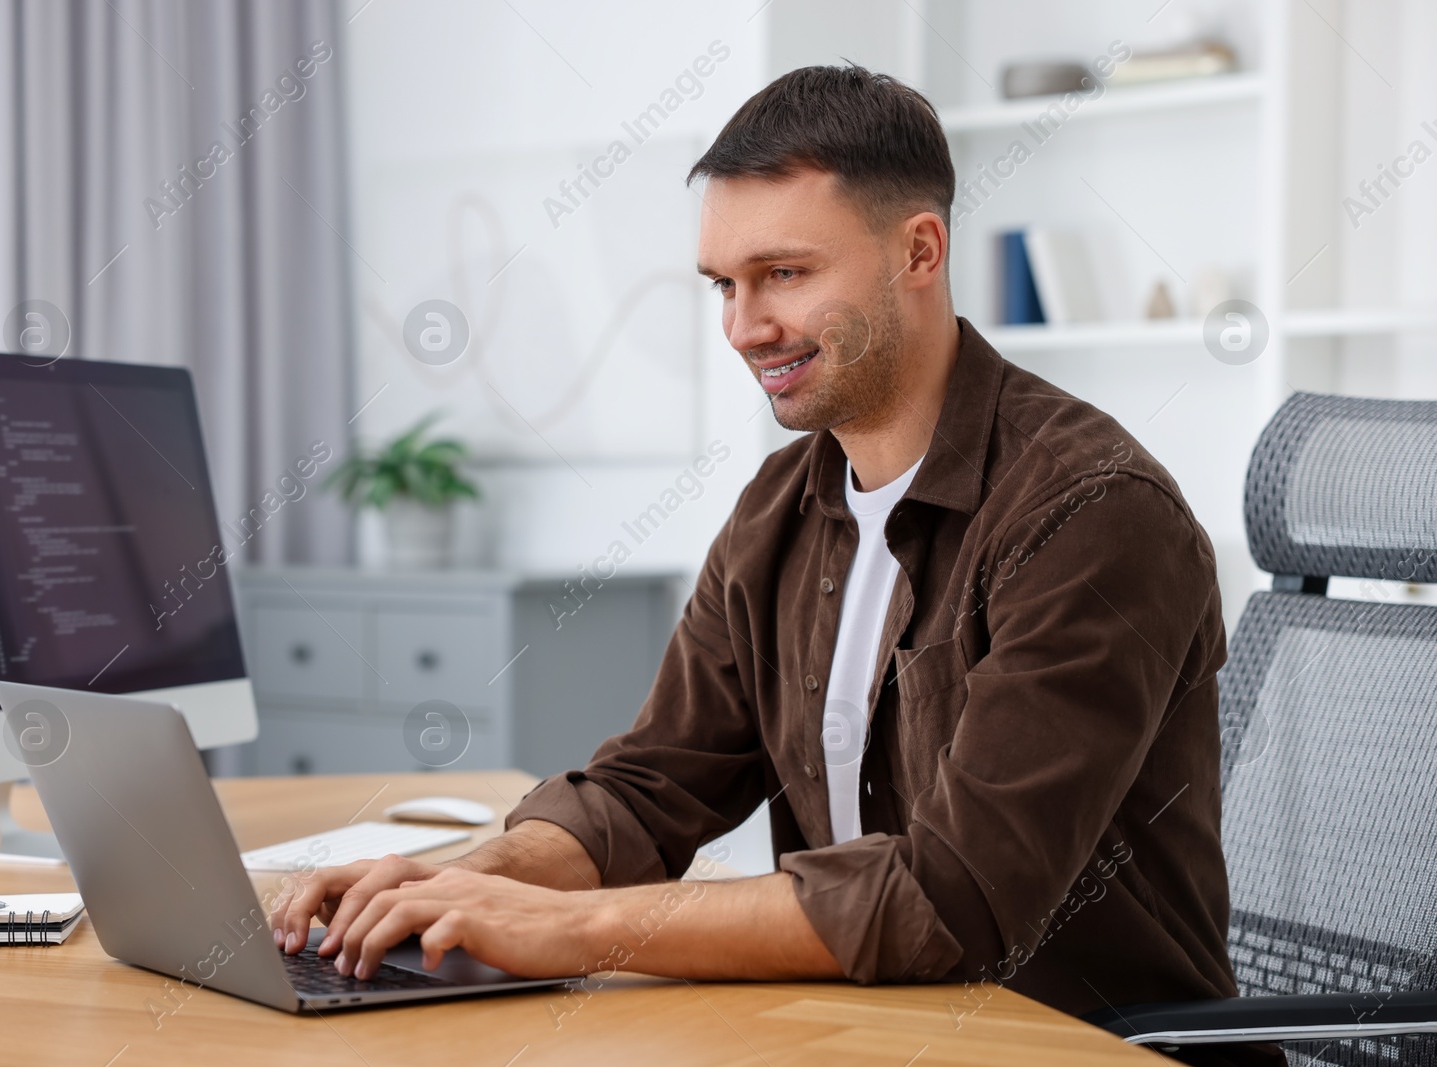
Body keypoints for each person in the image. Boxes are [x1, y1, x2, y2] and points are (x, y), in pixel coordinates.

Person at [272, 65, 1276, 1066]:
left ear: (917, 251)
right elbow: (650, 787)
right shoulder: (780, 506)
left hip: (1078, 1044)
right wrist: (465, 883)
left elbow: (953, 898)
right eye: (724, 283)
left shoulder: (1088, 513)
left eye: (784, 274)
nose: (744, 326)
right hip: (869, 1031)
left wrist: (569, 929)